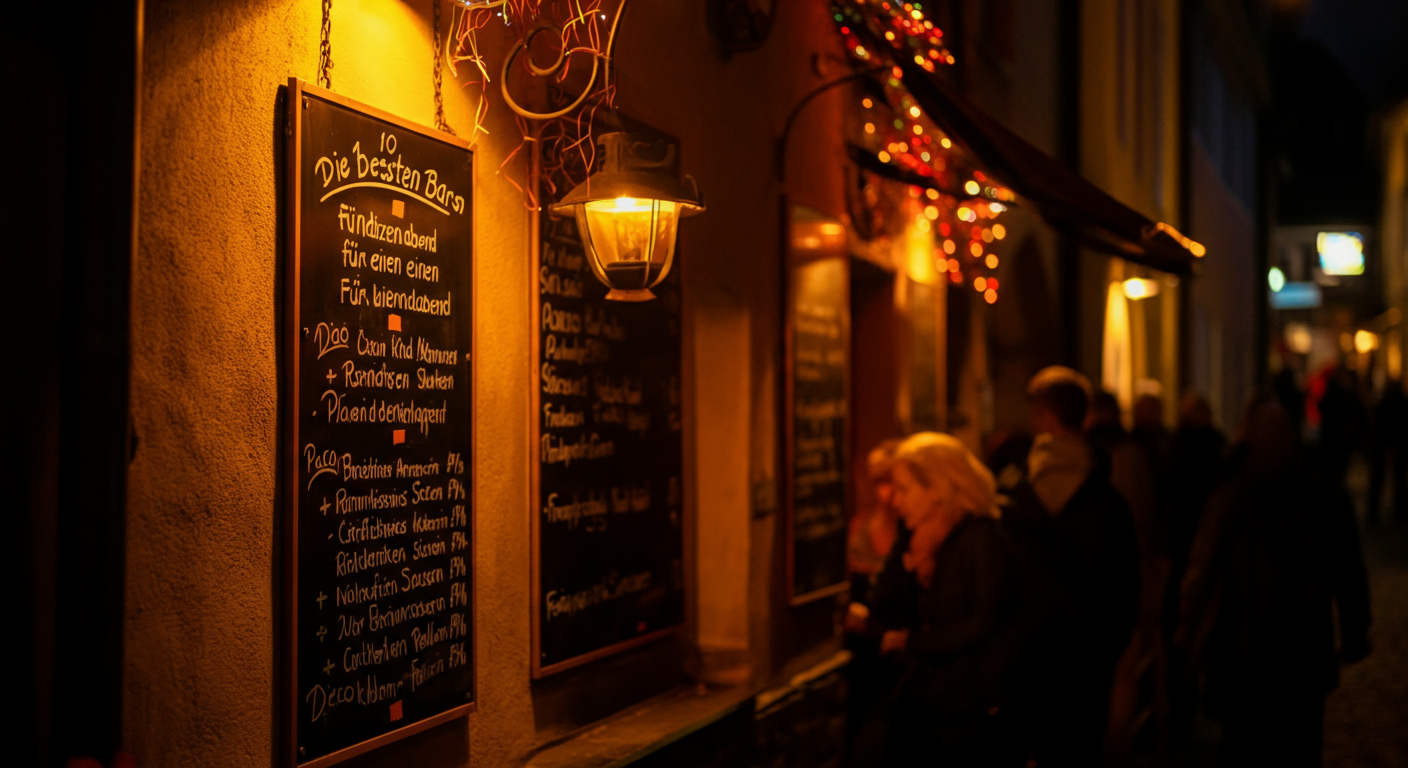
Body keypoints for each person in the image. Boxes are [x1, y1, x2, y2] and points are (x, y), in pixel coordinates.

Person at [1177, 397, 1371, 767]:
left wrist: (1188, 630)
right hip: (1301, 652)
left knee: (1243, 748)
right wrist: (1355, 633)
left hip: (1242, 650)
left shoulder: (1230, 495)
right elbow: (1349, 574)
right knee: (1298, 749)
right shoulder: (1324, 495)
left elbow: (1201, 570)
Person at [857, 432, 1029, 766]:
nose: (895, 501)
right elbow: (881, 604)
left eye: (904, 489)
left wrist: (911, 642)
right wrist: (908, 563)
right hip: (937, 706)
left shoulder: (982, 538)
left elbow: (981, 623)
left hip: (975, 714)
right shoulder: (919, 537)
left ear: (936, 489)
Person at [999, 367, 1140, 767]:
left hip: (1026, 664)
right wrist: (1103, 652)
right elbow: (1124, 595)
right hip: (1086, 666)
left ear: (1043, 418)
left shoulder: (1014, 497)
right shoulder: (1108, 503)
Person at [1368, 379, 1408, 524]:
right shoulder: (1402, 401)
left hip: (1383, 443)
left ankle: (1373, 511)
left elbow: (1377, 422)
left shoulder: (1384, 401)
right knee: (1398, 480)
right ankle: (1399, 511)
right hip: (1396, 443)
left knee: (1380, 478)